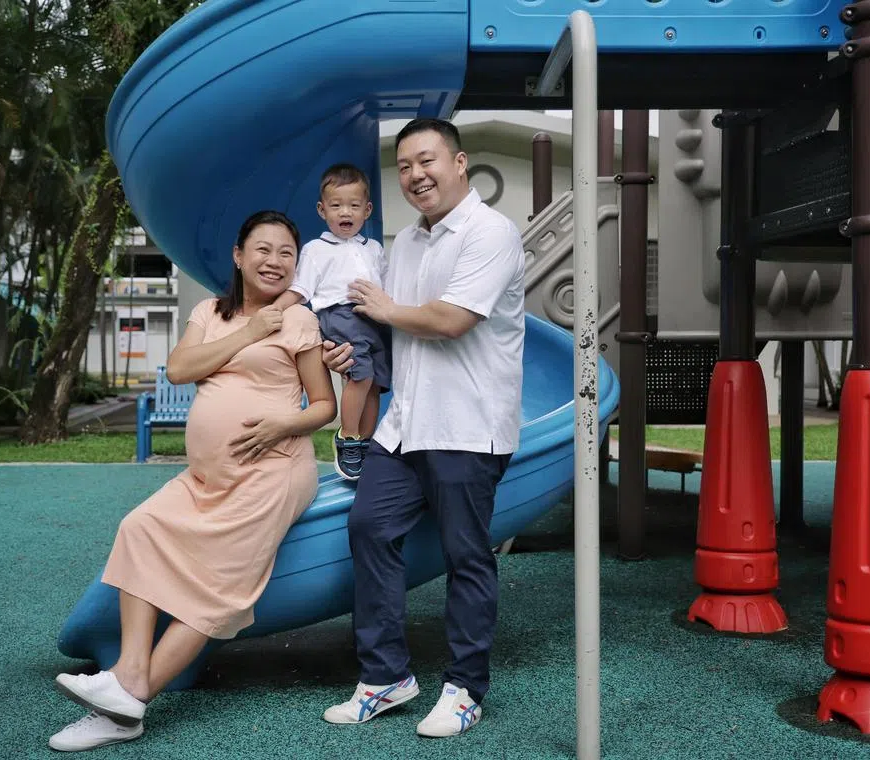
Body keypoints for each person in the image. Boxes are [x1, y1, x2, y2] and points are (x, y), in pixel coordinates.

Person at [46, 210, 336, 752]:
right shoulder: (209, 311)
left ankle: (128, 702)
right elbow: (181, 370)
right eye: (264, 249)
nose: (275, 261)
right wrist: (250, 332)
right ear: (238, 256)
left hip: (273, 471)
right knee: (140, 528)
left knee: (219, 591)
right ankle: (129, 673)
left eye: (287, 253)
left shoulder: (300, 320)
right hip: (206, 475)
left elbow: (324, 405)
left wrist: (281, 423)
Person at [320, 118, 525, 738]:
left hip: (467, 424)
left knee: (467, 556)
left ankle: (465, 689)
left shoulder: (491, 232)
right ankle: (386, 676)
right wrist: (348, 350)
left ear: (459, 163)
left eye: (427, 160)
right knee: (369, 526)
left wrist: (386, 309)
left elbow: (451, 319)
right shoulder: (405, 242)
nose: (415, 175)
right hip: (405, 424)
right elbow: (387, 328)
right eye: (405, 165)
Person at [273, 163, 390, 481]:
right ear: (322, 210)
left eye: (354, 205)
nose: (345, 212)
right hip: (341, 316)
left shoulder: (374, 249)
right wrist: (275, 309)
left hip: (375, 318)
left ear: (367, 210)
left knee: (375, 383)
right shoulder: (316, 250)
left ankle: (365, 442)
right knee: (360, 376)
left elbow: (388, 285)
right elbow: (301, 289)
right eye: (336, 205)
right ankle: (347, 436)